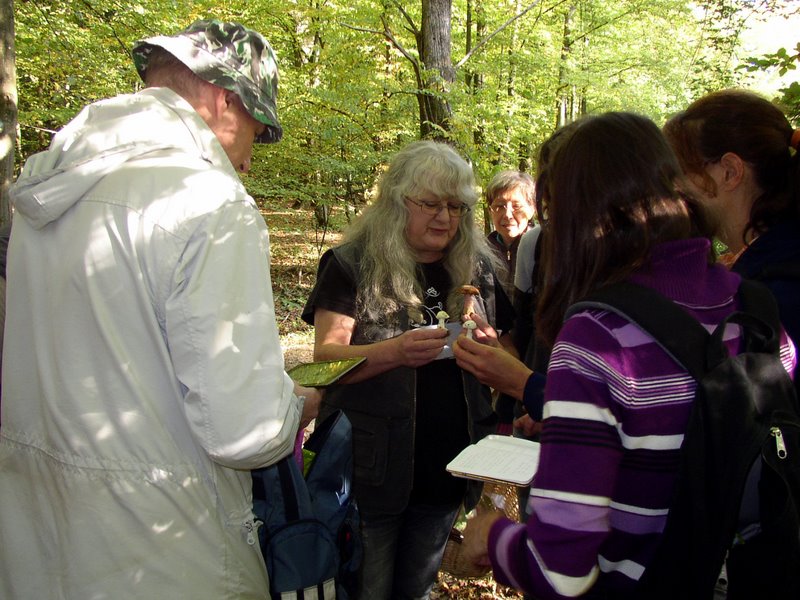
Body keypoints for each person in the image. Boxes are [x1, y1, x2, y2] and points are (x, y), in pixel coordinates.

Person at [0, 19, 322, 599]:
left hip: (38, 541)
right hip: (169, 554)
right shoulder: (209, 203)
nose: (250, 160)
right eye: (258, 129)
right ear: (227, 100)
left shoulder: (46, 195)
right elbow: (243, 433)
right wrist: (295, 409)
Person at [455, 112, 796, 598]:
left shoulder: (598, 337)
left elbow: (561, 574)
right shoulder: (756, 308)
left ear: (574, 217)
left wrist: (491, 534)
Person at [301, 140, 515, 600]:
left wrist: (492, 350)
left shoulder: (477, 265)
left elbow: (508, 350)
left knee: (416, 590)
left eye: (456, 207)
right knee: (366, 589)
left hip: (449, 470)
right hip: (370, 472)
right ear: (399, 203)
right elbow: (323, 362)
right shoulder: (350, 264)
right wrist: (394, 352)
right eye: (431, 204)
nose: (445, 218)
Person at [663, 89, 800, 371]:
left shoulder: (768, 295)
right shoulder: (777, 258)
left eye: (680, 172)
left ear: (729, 171)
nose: (674, 190)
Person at [485, 170, 537, 296]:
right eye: (500, 206)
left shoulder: (541, 248)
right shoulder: (482, 253)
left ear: (532, 209)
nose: (508, 215)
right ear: (490, 210)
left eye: (516, 206)